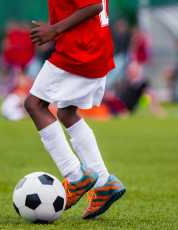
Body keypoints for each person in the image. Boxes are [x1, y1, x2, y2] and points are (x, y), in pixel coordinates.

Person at [26, 0, 125, 219]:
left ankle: (74, 176)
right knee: (66, 112)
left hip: (81, 52)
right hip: (93, 48)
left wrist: (54, 30)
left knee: (34, 105)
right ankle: (103, 182)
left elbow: (94, 5)